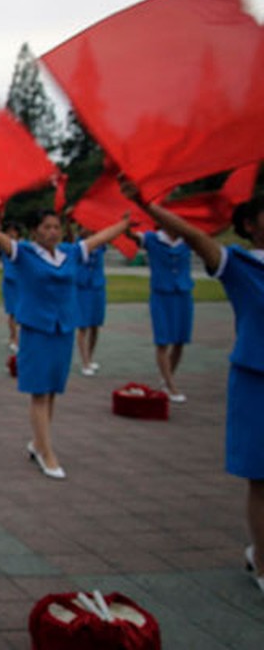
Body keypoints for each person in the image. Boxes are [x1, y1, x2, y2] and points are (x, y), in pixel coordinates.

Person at [122, 181, 264, 597]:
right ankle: (261, 562)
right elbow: (197, 237)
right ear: (252, 227)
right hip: (256, 378)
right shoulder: (240, 264)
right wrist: (142, 203)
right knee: (261, 476)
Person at [0, 209, 129, 479]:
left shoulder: (71, 253)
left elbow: (100, 238)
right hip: (37, 330)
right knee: (39, 392)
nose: (53, 231)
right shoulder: (24, 253)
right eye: (47, 227)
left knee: (52, 390)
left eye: (56, 227)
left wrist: (124, 223)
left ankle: (38, 442)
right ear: (36, 232)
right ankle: (46, 452)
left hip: (62, 330)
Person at [128, 220, 194, 402]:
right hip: (161, 295)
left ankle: (166, 380)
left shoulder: (188, 238)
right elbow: (132, 236)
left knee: (180, 341)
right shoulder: (152, 239)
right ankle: (171, 385)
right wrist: (126, 225)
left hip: (183, 294)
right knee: (163, 341)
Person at [74, 225, 109, 376]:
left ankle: (90, 356)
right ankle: (85, 361)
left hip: (97, 286)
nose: (86, 229)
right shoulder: (77, 245)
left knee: (95, 325)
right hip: (82, 287)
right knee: (83, 326)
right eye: (82, 227)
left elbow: (108, 236)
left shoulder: (100, 244)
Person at [0, 222, 22, 353]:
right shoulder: (5, 247)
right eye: (9, 231)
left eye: (14, 231)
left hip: (22, 283)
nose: (11, 234)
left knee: (21, 312)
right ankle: (13, 338)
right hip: (9, 283)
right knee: (12, 312)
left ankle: (18, 337)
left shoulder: (22, 247)